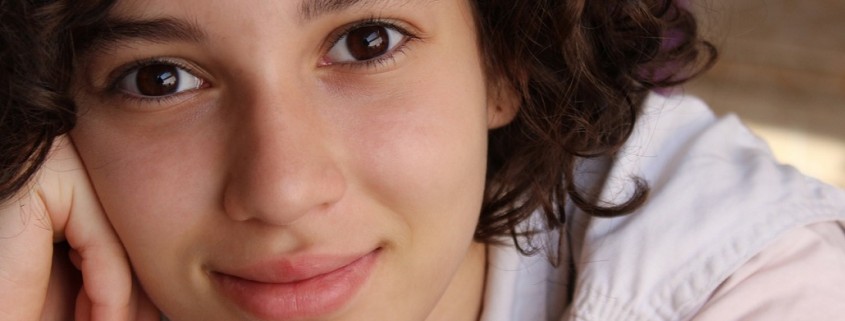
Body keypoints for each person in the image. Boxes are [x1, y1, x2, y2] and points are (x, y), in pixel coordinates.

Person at [1, 0, 844, 320]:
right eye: (160, 78)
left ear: (503, 61)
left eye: (365, 43)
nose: (283, 188)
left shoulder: (739, 283)